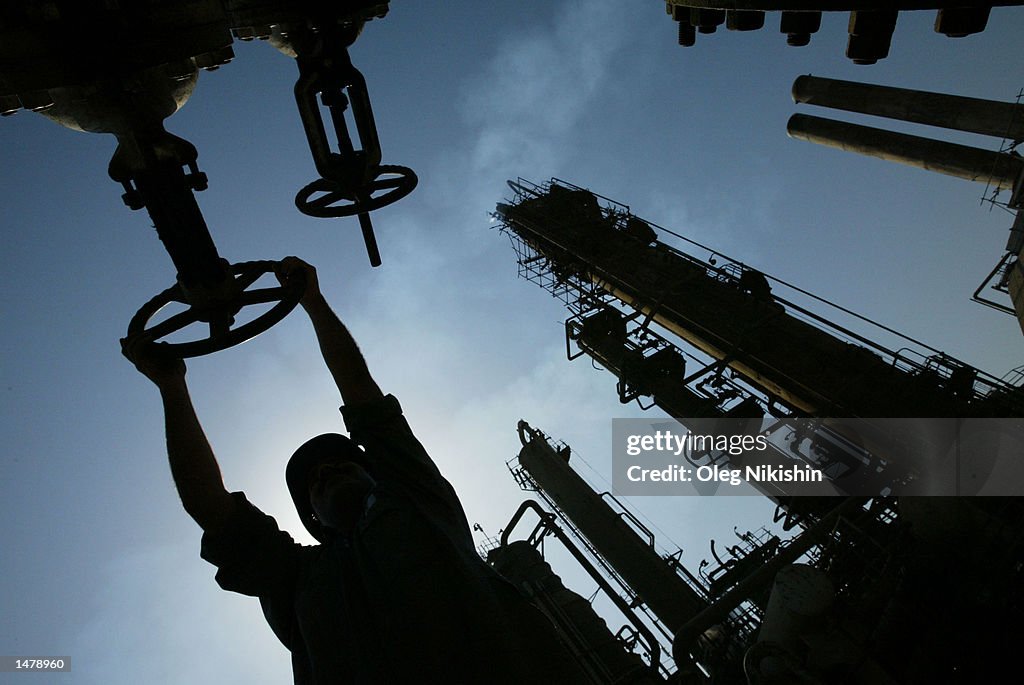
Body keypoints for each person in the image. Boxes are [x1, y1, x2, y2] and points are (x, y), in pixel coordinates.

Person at [124, 257, 589, 684]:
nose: (326, 471)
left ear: (376, 475)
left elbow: (366, 401)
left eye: (341, 462)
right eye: (314, 482)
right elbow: (211, 506)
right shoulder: (295, 577)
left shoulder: (420, 501)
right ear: (312, 520)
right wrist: (171, 386)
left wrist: (314, 304)